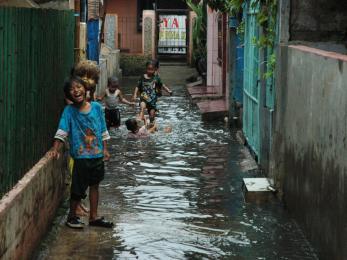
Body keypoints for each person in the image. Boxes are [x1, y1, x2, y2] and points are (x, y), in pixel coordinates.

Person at [48, 76, 113, 229]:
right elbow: (62, 130)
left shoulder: (96, 107)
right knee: (77, 189)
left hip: (97, 156)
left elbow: (102, 129)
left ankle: (94, 217)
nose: (76, 90)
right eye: (72, 89)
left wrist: (105, 149)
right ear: (68, 95)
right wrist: (55, 148)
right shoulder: (69, 111)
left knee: (95, 185)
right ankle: (72, 217)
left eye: (78, 87)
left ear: (85, 89)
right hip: (81, 157)